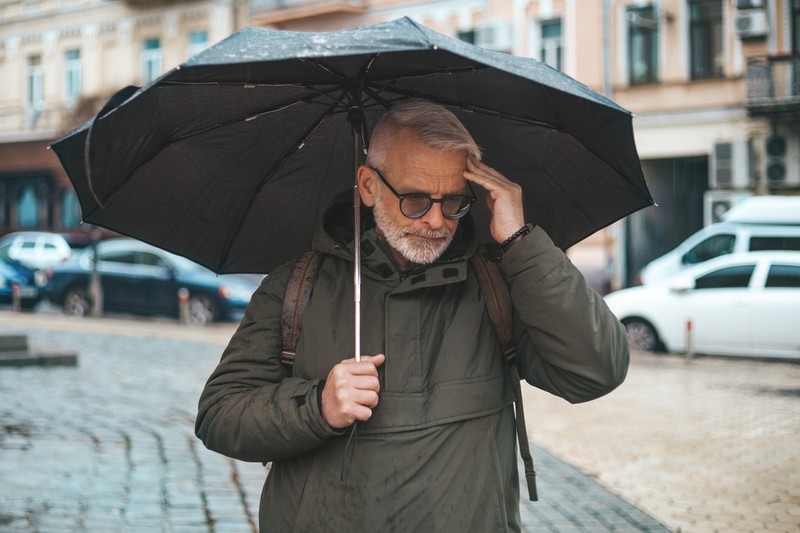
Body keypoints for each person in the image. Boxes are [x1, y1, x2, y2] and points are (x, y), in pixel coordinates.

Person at [195, 100, 630, 532]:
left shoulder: (497, 285)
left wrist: (521, 242)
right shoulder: (295, 287)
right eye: (416, 200)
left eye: (455, 202)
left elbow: (596, 371)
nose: (437, 221)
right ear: (368, 186)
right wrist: (317, 407)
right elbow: (219, 415)